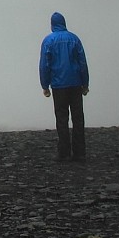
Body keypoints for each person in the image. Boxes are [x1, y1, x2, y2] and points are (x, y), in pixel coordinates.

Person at [40, 11, 90, 161]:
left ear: (52, 25)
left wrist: (45, 85)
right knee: (78, 118)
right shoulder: (74, 39)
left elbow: (44, 65)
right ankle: (79, 152)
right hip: (75, 83)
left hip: (58, 85)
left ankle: (64, 153)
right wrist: (85, 83)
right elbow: (82, 63)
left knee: (62, 118)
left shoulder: (48, 41)